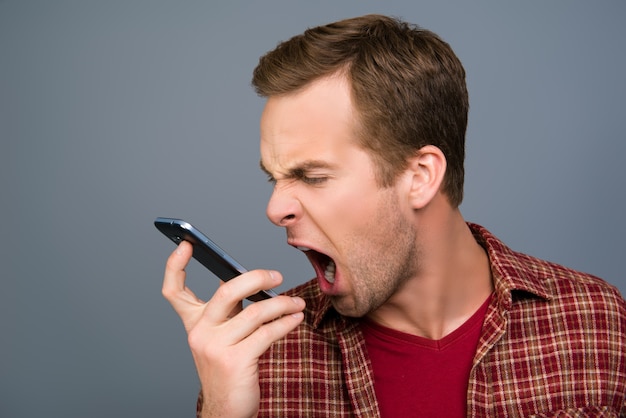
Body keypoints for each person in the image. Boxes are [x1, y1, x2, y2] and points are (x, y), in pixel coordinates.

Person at [161, 14, 626, 417]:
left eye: (314, 176)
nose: (275, 209)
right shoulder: (259, 361)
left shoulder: (597, 323)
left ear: (420, 176)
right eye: (275, 178)